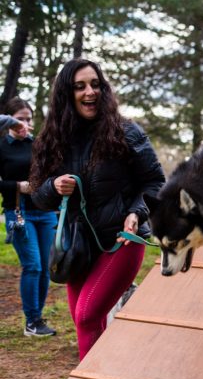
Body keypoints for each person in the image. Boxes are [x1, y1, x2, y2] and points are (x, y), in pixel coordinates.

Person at [30, 58, 165, 360]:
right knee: (85, 322)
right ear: (67, 94)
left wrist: (136, 212)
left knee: (88, 315)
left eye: (95, 84)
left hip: (121, 240)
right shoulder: (52, 140)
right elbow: (38, 196)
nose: (90, 92)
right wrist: (53, 187)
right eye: (80, 87)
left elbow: (155, 182)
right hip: (77, 247)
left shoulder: (126, 132)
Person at [1, 99, 59, 337]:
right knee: (32, 265)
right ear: (10, 119)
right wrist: (18, 186)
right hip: (18, 211)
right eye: (19, 118)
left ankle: (38, 318)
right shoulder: (2, 146)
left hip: (45, 212)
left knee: (45, 267)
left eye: (28, 118)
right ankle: (32, 321)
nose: (24, 123)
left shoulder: (38, 145)